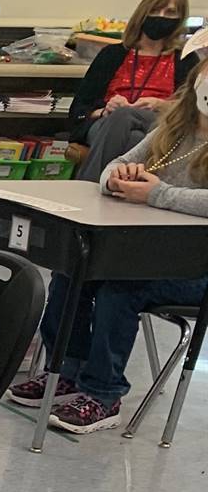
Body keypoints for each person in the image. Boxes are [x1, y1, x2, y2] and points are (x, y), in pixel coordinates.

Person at [11, 82, 208, 433]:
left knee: (120, 286)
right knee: (73, 270)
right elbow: (114, 165)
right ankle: (66, 371)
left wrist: (157, 194)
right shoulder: (174, 129)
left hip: (195, 269)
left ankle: (103, 393)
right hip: (150, 253)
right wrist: (117, 180)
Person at [67, 0, 189, 143]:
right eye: (154, 10)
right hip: (108, 124)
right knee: (131, 134)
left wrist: (160, 105)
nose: (161, 16)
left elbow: (193, 109)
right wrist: (105, 111)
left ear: (179, 20)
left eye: (170, 12)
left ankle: (97, 169)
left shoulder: (185, 59)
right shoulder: (112, 55)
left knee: (135, 134)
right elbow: (78, 111)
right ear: (142, 13)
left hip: (158, 127)